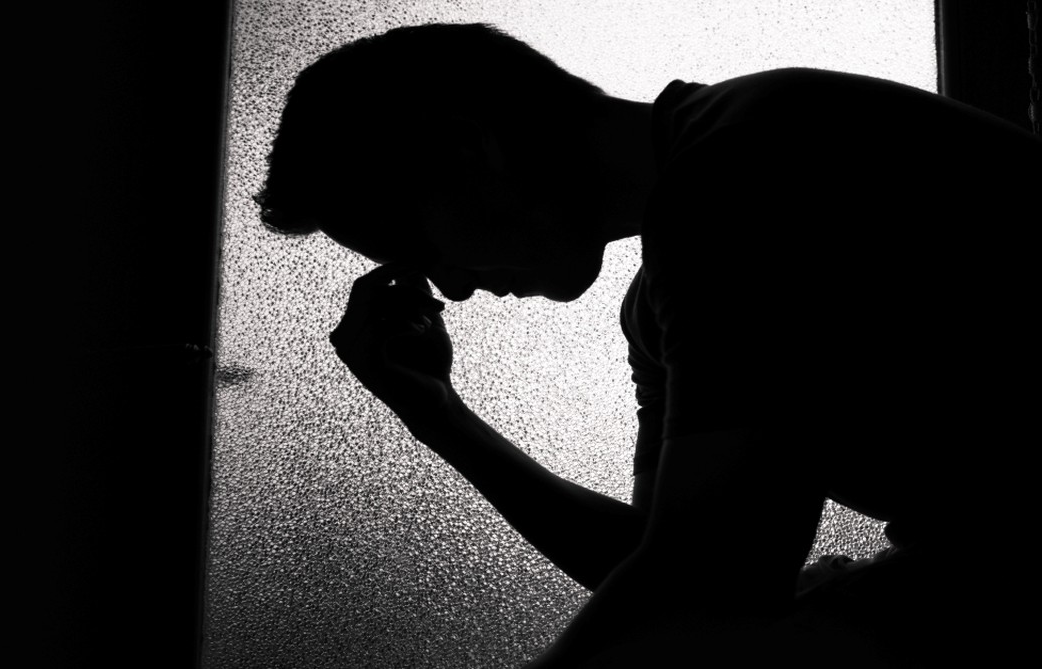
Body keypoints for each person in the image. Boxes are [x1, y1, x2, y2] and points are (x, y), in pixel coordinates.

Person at [255, 23, 1039, 668]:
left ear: (470, 153)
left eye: (424, 248)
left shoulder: (737, 181)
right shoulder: (672, 280)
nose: (452, 288)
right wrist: (440, 418)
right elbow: (663, 559)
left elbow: (712, 578)